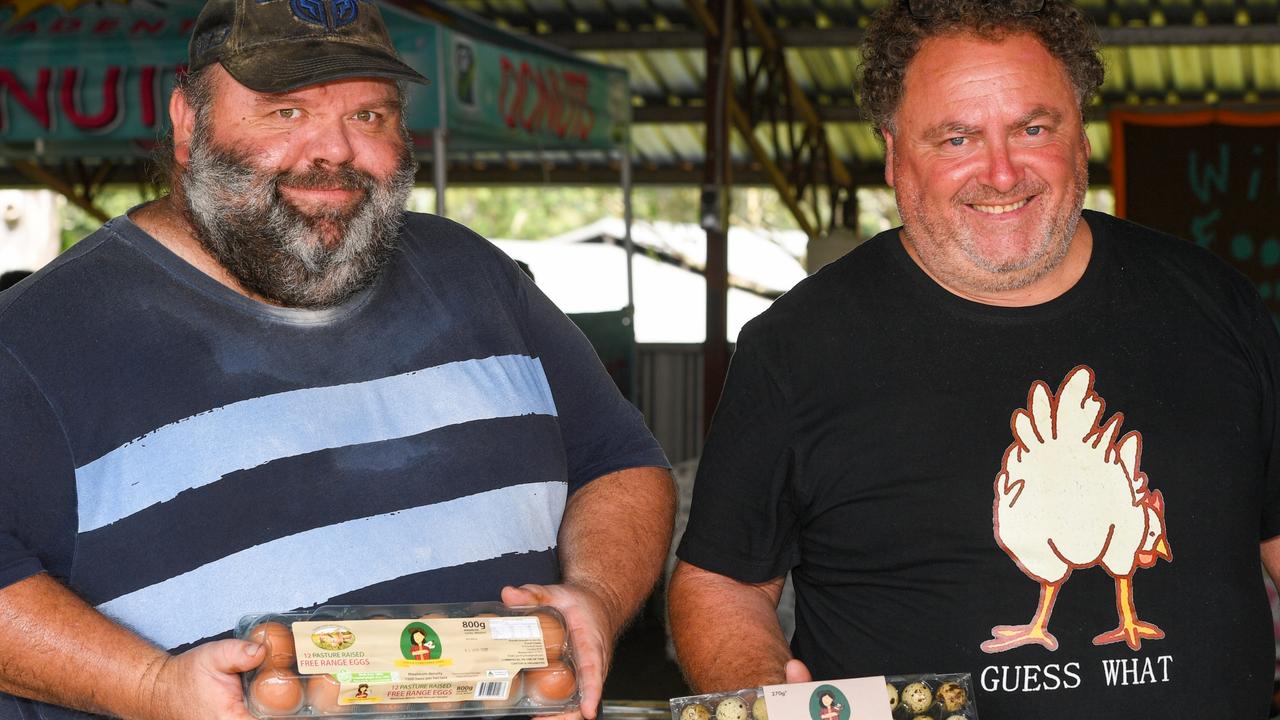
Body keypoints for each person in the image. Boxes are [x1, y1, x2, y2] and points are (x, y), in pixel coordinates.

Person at [0, 0, 674, 718]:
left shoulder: (475, 277)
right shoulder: (39, 341)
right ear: (189, 123)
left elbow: (621, 463)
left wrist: (595, 598)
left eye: (369, 116)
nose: (334, 152)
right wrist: (152, 686)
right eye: (285, 113)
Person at [668, 0, 1280, 717]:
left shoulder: (1214, 306)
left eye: (1032, 128)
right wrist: (761, 694)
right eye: (956, 138)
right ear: (894, 155)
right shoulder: (797, 346)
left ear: (1080, 140)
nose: (999, 172)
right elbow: (721, 582)